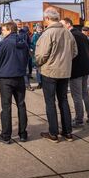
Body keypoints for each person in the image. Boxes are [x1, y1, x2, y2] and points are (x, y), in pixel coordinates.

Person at [35, 8, 77, 143]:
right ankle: (67, 132)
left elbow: (41, 55)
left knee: (50, 102)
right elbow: (74, 52)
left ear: (47, 18)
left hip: (50, 72)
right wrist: (64, 61)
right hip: (64, 72)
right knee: (63, 100)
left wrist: (39, 63)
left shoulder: (48, 34)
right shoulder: (68, 33)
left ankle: (53, 133)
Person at [0, 22, 29, 144]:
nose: (2, 33)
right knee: (21, 105)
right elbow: (27, 59)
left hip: (6, 77)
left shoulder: (4, 43)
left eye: (3, 30)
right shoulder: (23, 42)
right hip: (19, 76)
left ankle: (6, 135)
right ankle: (23, 134)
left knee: (6, 107)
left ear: (9, 30)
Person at [61, 18, 89, 129]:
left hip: (76, 69)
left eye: (62, 24)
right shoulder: (82, 35)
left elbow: (71, 53)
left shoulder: (70, 35)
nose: (61, 27)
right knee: (85, 93)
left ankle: (79, 120)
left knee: (77, 96)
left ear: (68, 24)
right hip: (86, 67)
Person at [14, 19, 33, 91]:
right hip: (15, 55)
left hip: (24, 54)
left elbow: (29, 42)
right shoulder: (12, 33)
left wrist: (29, 49)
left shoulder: (24, 32)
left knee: (26, 71)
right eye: (18, 24)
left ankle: (27, 84)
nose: (20, 25)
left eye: (20, 24)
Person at [30, 24, 44, 89]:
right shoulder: (35, 36)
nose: (40, 29)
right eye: (38, 28)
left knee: (43, 69)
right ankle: (39, 82)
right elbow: (32, 44)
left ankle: (43, 82)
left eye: (41, 28)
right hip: (37, 54)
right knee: (38, 69)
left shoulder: (44, 35)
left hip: (44, 54)